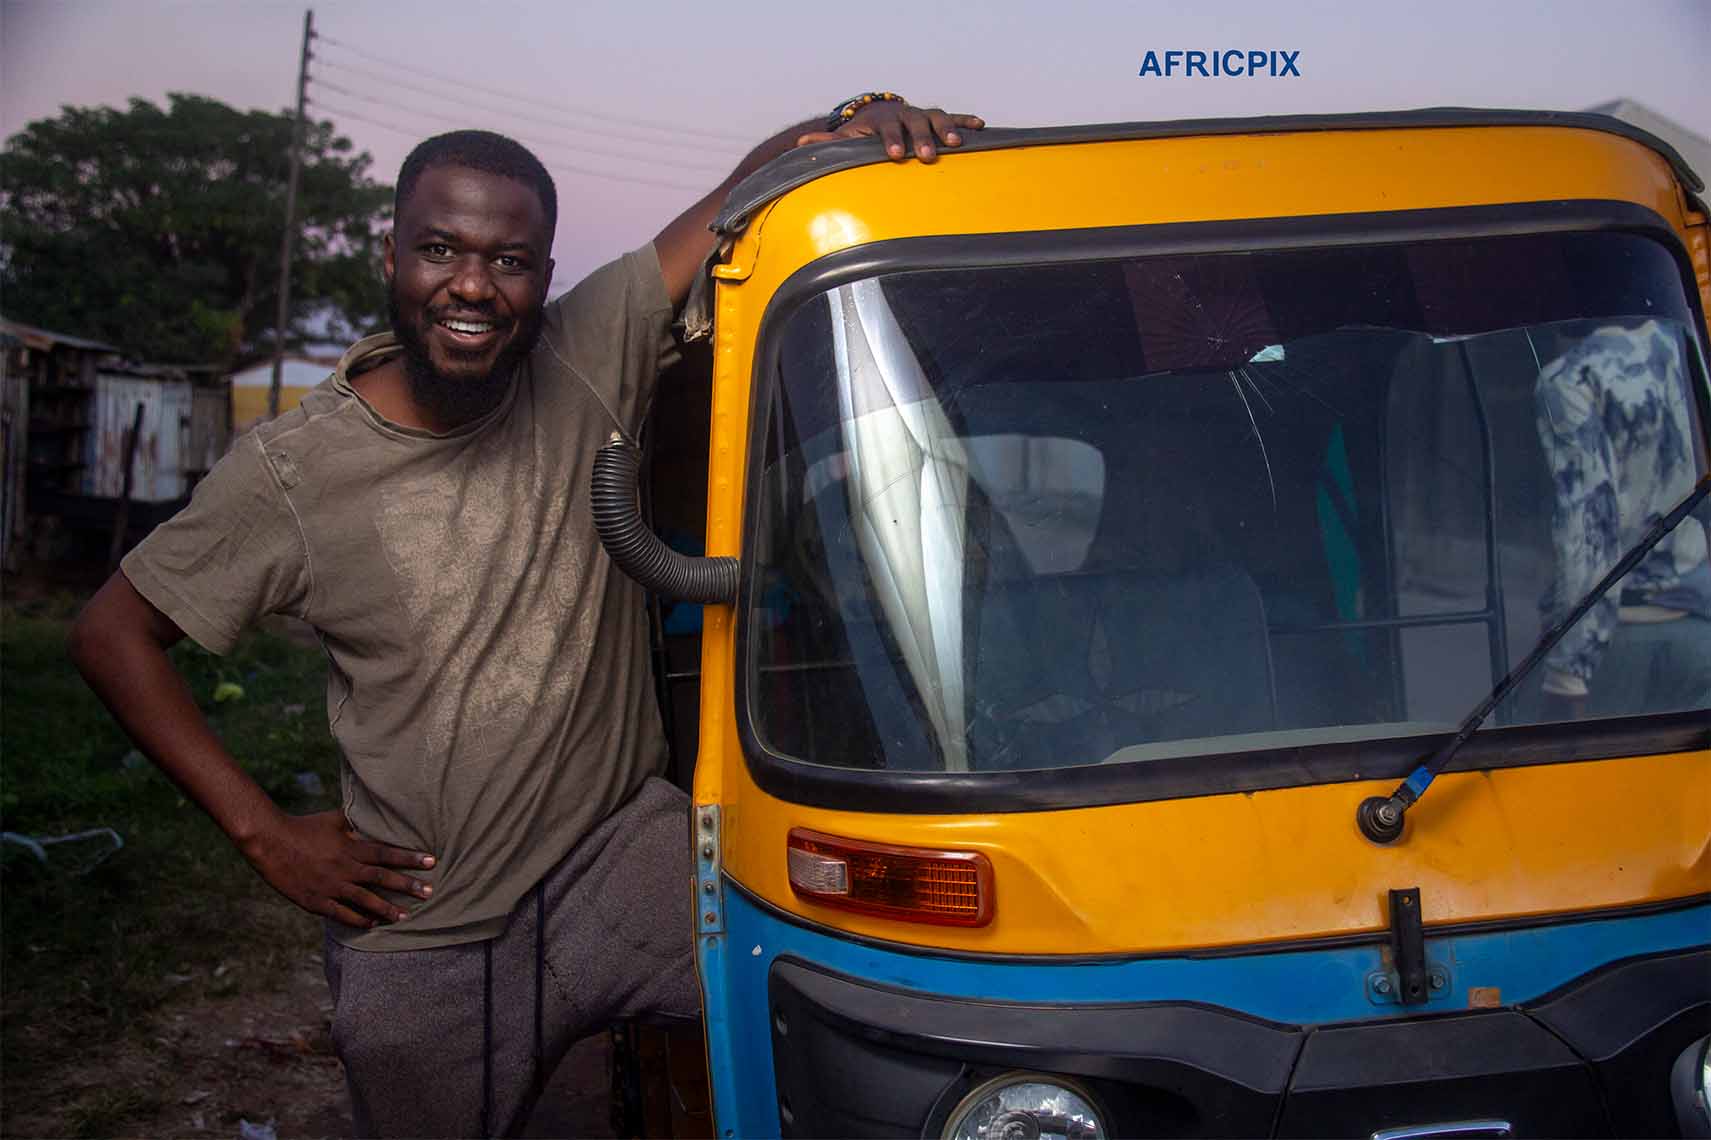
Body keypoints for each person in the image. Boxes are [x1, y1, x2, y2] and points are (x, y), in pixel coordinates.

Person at [68, 95, 982, 1137]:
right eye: (440, 250)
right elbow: (110, 635)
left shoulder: (586, 345)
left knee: (864, 981)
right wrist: (267, 836)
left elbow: (740, 193)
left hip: (615, 862)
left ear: (543, 277)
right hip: (430, 927)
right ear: (393, 257)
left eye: (507, 261)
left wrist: (861, 114)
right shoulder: (292, 471)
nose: (471, 284)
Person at [1533, 318, 1711, 721]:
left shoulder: (1570, 379)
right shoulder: (1685, 349)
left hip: (1615, 641)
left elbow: (1588, 527)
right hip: (1700, 629)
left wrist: (1569, 673)